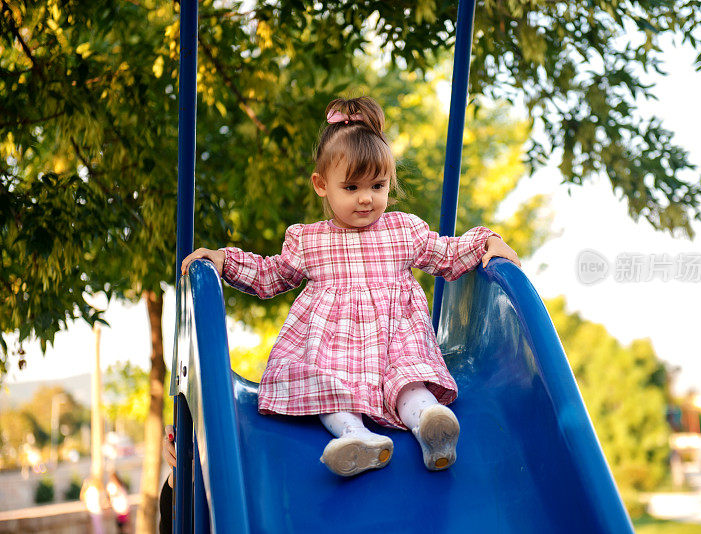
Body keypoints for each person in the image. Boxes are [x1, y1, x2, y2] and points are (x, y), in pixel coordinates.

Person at [181, 96, 520, 477]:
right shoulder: (308, 241)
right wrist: (226, 262)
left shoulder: (402, 230)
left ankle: (430, 425)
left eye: (377, 185)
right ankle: (355, 437)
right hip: (332, 349)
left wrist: (486, 241)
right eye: (352, 186)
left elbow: (446, 252)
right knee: (326, 390)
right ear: (322, 185)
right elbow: (271, 275)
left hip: (395, 342)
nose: (366, 197)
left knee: (410, 381)